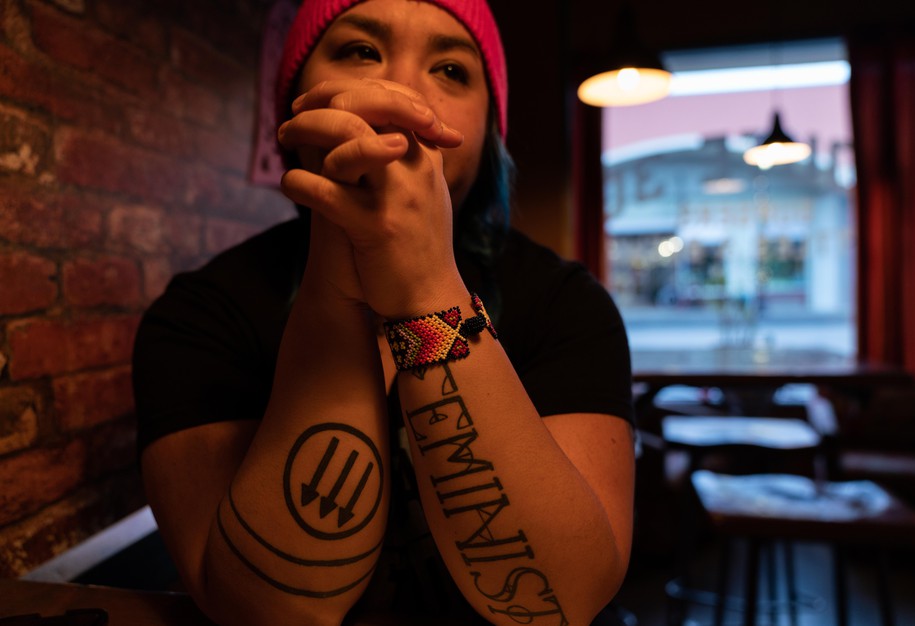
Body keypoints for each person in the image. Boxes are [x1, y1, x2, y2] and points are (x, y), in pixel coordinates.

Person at [132, 0, 636, 624]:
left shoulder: (565, 304)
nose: (397, 90)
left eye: (451, 70)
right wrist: (340, 279)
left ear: (489, 128)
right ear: (292, 104)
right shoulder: (201, 316)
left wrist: (424, 285)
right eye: (359, 52)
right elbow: (264, 610)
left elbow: (564, 599)